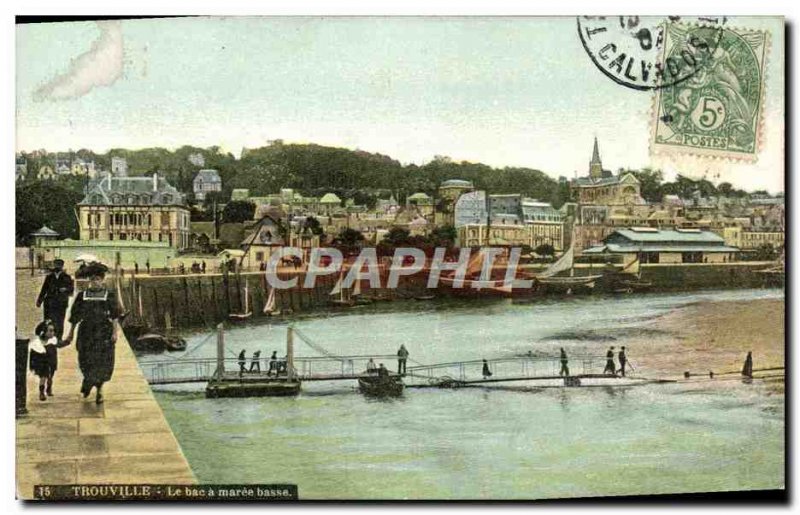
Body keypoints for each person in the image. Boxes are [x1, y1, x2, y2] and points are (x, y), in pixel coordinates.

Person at [64, 262, 121, 405]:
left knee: (102, 362)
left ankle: (100, 391)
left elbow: (115, 316)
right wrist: (70, 334)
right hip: (86, 332)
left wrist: (115, 333)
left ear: (102, 280)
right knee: (85, 360)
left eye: (97, 279)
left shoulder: (109, 295)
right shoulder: (82, 296)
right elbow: (75, 316)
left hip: (103, 333)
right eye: (92, 279)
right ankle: (88, 381)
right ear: (89, 281)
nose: (94, 282)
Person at [35, 258, 74, 340]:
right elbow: (44, 289)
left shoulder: (67, 277)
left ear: (62, 266)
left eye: (59, 265)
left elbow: (71, 290)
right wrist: (39, 301)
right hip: (49, 302)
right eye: (56, 265)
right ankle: (48, 337)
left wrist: (65, 289)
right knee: (48, 320)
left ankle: (58, 338)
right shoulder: (49, 277)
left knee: (60, 321)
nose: (57, 267)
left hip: (61, 302)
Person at [29, 320, 59, 401]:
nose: (52, 333)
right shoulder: (37, 343)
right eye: (50, 331)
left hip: (51, 361)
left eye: (53, 331)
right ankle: (41, 392)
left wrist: (67, 341)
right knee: (43, 376)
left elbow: (59, 344)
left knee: (50, 376)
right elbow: (33, 355)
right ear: (43, 332)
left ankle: (49, 388)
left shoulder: (53, 340)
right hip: (42, 362)